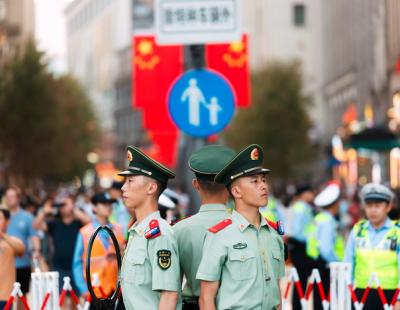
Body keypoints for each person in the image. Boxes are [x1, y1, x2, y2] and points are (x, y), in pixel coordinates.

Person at [197, 144, 285, 310]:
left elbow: (277, 292)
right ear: (237, 192)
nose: (263, 186)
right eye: (255, 181)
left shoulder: (273, 234)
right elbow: (206, 298)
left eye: (264, 180)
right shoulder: (220, 235)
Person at [173, 145, 236, 310]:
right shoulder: (242, 227)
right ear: (230, 186)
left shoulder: (179, 229)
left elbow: (172, 288)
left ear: (195, 184)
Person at [119, 146, 181, 310]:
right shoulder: (138, 230)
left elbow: (168, 296)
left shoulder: (158, 234)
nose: (123, 187)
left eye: (130, 181)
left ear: (151, 188)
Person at [345, 183, 400, 310]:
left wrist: (399, 298)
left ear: (388, 207)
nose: (373, 210)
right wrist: (348, 290)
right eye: (369, 206)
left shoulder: (397, 232)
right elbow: (348, 262)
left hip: (389, 294)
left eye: (378, 206)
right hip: (360, 293)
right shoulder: (358, 230)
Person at [72, 192, 125, 300]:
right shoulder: (85, 232)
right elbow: (77, 263)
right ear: (94, 207)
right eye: (104, 203)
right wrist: (83, 289)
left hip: (117, 292)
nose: (108, 207)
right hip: (94, 292)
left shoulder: (118, 229)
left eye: (110, 204)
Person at [34, 195, 90, 291]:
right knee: (61, 297)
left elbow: (89, 222)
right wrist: (44, 211)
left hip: (76, 266)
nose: (63, 207)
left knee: (76, 298)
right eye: (61, 205)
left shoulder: (78, 223)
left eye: (65, 204)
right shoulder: (54, 223)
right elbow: (36, 225)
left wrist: (73, 208)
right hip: (59, 266)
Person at [306, 181, 344, 310]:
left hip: (317, 263)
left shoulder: (319, 218)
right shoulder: (328, 221)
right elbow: (326, 249)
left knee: (320, 300)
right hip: (327, 266)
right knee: (326, 302)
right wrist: (338, 262)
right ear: (335, 204)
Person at [5, 186, 40, 295]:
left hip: (22, 263)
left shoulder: (27, 217)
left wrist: (36, 250)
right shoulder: (2, 216)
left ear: (18, 199)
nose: (9, 199)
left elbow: (34, 236)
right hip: (5, 264)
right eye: (7, 197)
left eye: (12, 196)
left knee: (21, 296)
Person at [287, 185, 315, 310]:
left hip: (298, 245)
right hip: (301, 246)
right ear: (304, 194)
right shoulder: (303, 208)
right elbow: (298, 231)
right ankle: (298, 305)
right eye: (310, 192)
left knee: (299, 278)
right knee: (301, 278)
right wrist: (310, 239)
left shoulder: (297, 206)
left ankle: (297, 305)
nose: (312, 194)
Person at [0, 206, 25, 308]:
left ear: (7, 222)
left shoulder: (11, 241)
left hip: (5, 295)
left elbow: (21, 249)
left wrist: (2, 235)